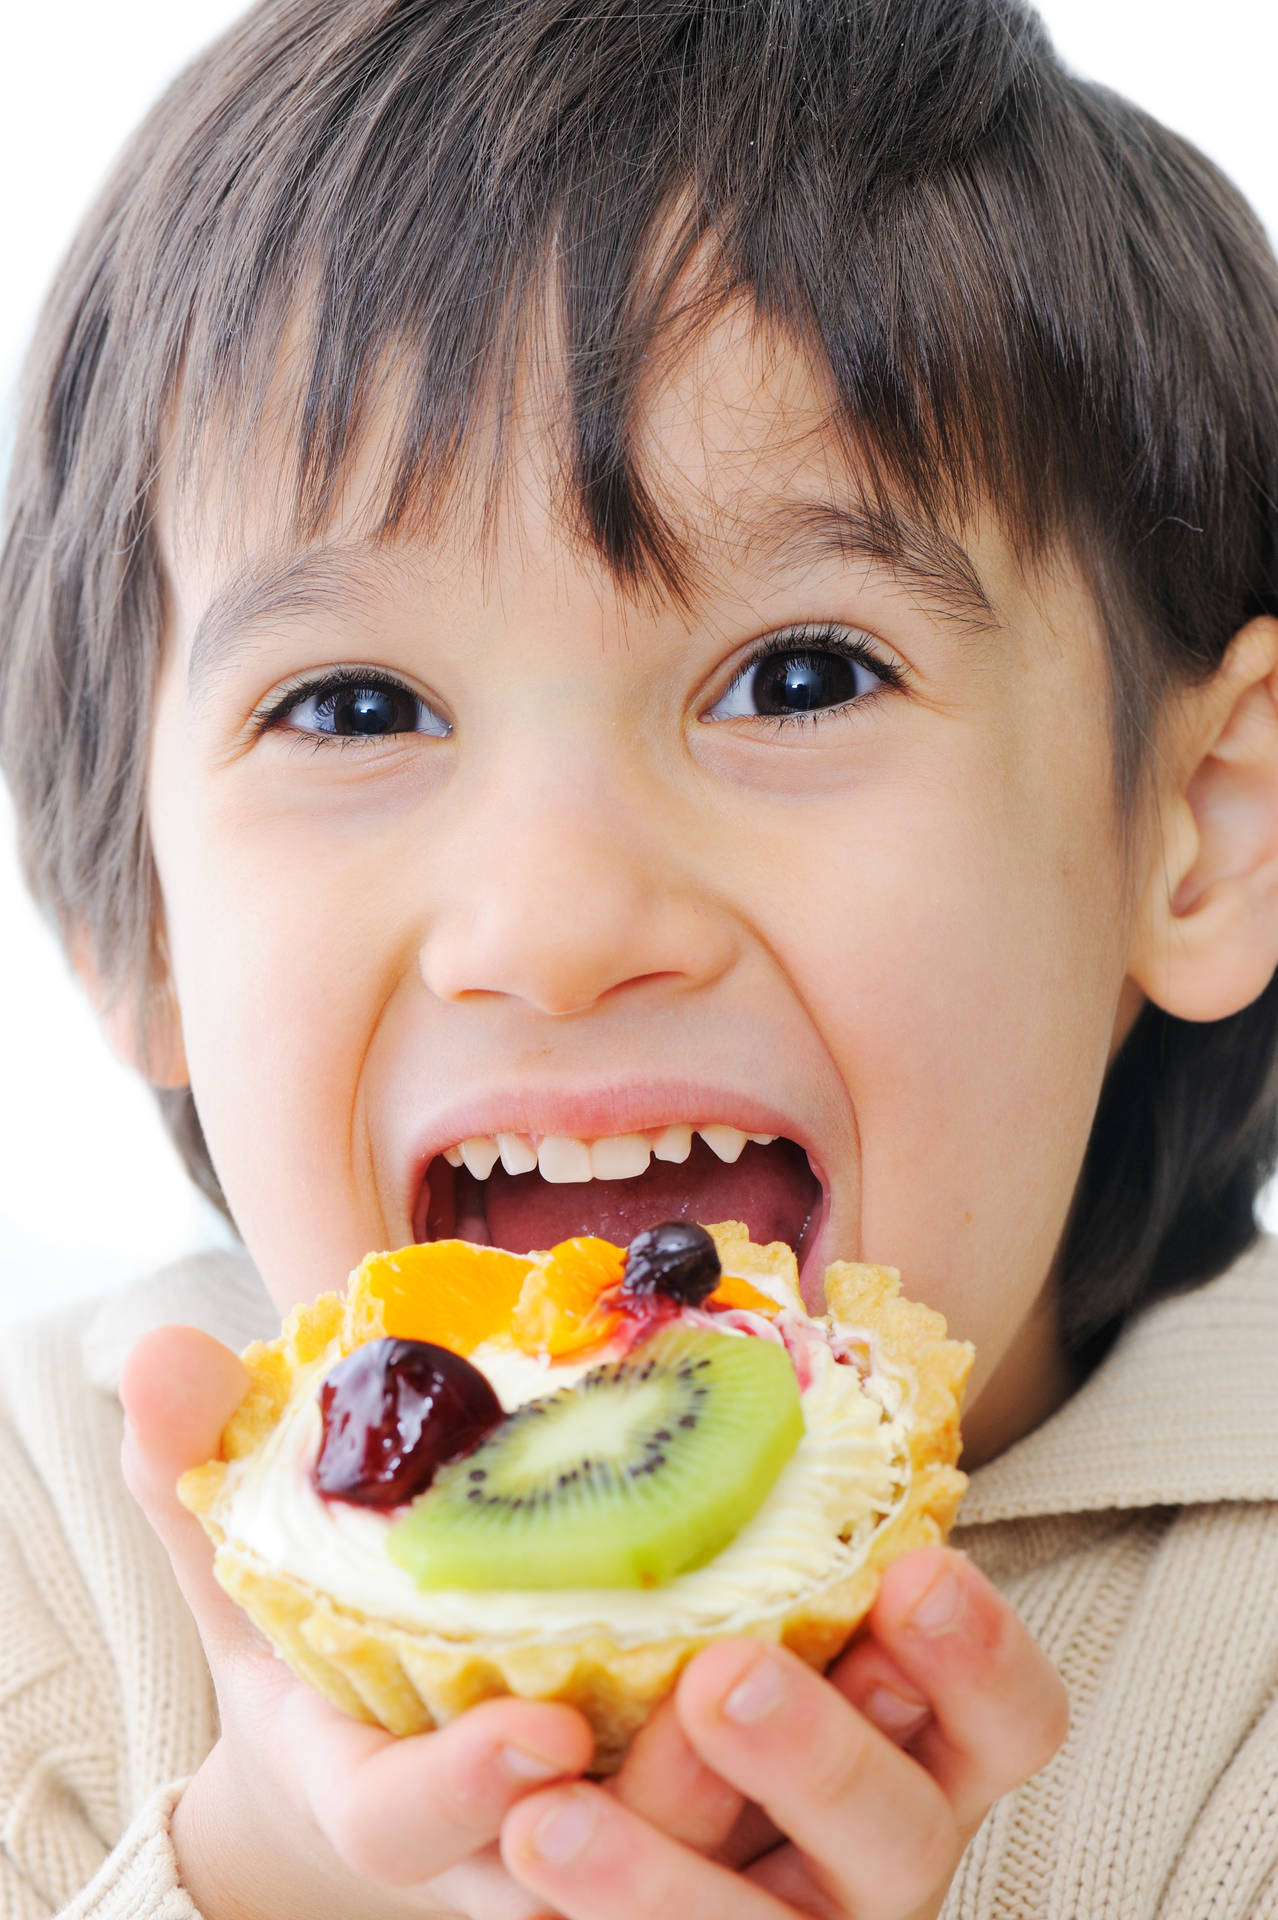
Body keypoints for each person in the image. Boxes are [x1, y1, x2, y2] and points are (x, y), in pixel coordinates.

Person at [2, 0, 1277, 1913]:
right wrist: (273, 1877)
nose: (558, 928)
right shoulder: (47, 1572)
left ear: (1196, 833)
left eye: (798, 677)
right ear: (134, 912)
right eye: (353, 708)